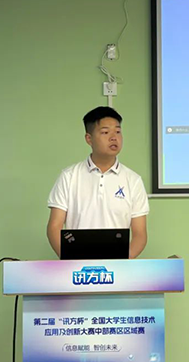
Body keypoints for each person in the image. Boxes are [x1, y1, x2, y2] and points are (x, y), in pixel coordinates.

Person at [47, 106, 149, 259]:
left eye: (118, 132)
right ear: (89, 139)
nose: (114, 137)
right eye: (105, 132)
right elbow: (54, 226)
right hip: (76, 266)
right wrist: (70, 261)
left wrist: (123, 262)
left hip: (118, 266)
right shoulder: (69, 176)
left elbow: (140, 234)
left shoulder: (133, 180)